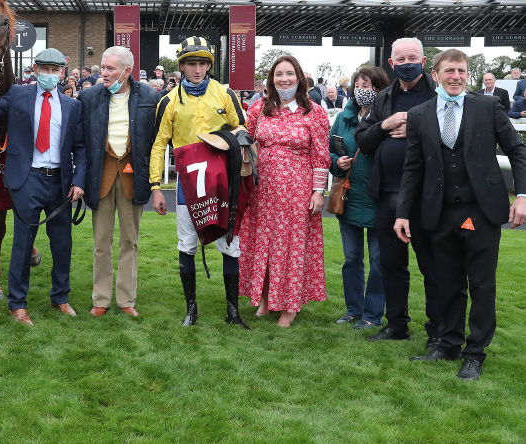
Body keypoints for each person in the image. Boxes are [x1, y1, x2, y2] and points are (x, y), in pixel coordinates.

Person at [395, 49, 526, 380]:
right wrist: (402, 213)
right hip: (439, 212)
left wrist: (522, 196)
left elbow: (517, 149)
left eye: (462, 70)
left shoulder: (487, 107)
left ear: (468, 74)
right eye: (450, 70)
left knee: (481, 284)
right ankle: (448, 343)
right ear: (436, 74)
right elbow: (412, 168)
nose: (456, 76)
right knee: (446, 284)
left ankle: (475, 353)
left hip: (481, 210)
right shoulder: (421, 114)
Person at [0, 48, 86, 326]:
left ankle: (60, 297)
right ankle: (17, 304)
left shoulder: (72, 105)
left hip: (61, 182)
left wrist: (79, 181)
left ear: (62, 72)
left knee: (62, 243)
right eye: (45, 69)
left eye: (55, 70)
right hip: (27, 179)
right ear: (35, 69)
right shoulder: (17, 94)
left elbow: (80, 147)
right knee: (22, 243)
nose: (50, 75)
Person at [150, 36, 246, 326]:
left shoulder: (226, 93)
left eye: (203, 63)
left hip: (222, 179)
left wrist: (224, 139)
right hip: (187, 184)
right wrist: (156, 186)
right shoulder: (168, 101)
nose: (198, 69)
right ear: (181, 66)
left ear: (209, 65)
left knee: (230, 244)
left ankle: (233, 311)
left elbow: (242, 128)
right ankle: (191, 309)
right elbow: (158, 145)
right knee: (187, 244)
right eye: (192, 63)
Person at [355, 37, 441, 348]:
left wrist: (417, 127)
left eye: (412, 58)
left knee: (431, 266)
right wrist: (385, 125)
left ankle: (438, 330)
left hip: (425, 197)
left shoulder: (440, 93)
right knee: (390, 264)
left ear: (423, 60)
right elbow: (364, 140)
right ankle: (397, 325)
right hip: (387, 194)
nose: (406, 63)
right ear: (391, 64)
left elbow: (456, 137)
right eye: (400, 59)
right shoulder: (384, 98)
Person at [236, 55, 330, 327]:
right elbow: (245, 138)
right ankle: (265, 299)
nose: (284, 79)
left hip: (296, 190)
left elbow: (321, 155)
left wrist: (318, 191)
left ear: (299, 78)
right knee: (261, 243)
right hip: (262, 190)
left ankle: (290, 306)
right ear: (271, 80)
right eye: (279, 74)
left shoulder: (314, 112)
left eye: (289, 74)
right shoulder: (260, 109)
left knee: (290, 246)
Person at [80, 46, 158, 318]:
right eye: (102, 67)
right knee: (101, 243)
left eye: (110, 68)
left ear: (127, 71)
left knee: (130, 242)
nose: (103, 73)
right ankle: (100, 299)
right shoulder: (88, 97)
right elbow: (80, 142)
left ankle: (126, 300)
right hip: (99, 178)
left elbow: (156, 141)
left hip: (132, 178)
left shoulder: (150, 96)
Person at [329, 66, 390, 329]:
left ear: (381, 90)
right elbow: (329, 150)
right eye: (360, 85)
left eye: (371, 86)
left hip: (379, 198)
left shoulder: (388, 117)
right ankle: (353, 310)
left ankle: (372, 314)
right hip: (350, 196)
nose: (364, 90)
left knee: (379, 261)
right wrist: (336, 162)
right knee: (352, 258)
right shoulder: (343, 117)